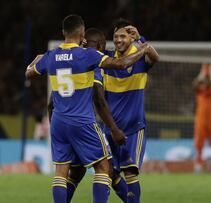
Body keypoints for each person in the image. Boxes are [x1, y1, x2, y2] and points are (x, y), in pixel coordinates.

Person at [25, 14, 149, 203]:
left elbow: (29, 72)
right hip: (82, 121)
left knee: (61, 172)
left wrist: (37, 58)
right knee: (103, 167)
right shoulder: (87, 55)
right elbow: (121, 64)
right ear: (82, 32)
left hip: (58, 122)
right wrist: (144, 49)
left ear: (63, 33)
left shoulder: (51, 56)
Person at [98, 20, 159, 203]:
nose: (118, 40)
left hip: (133, 128)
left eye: (123, 36)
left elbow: (155, 57)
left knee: (130, 171)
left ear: (130, 38)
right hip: (110, 128)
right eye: (116, 36)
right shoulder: (108, 59)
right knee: (108, 173)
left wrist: (140, 39)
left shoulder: (141, 57)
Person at [193, 64, 211, 174]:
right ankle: (198, 165)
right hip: (200, 121)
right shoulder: (200, 91)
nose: (206, 82)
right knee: (199, 144)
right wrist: (201, 74)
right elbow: (195, 85)